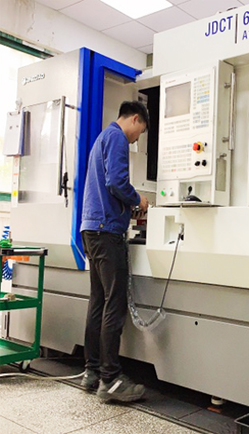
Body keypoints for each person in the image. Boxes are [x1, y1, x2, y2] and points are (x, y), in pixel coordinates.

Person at [79, 101, 150, 402]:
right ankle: (110, 379)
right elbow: (117, 182)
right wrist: (138, 200)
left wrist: (125, 207)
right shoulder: (118, 137)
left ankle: (91, 371)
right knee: (114, 303)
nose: (136, 139)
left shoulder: (101, 138)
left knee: (98, 301)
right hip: (107, 232)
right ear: (134, 119)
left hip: (91, 229)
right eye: (140, 132)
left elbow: (106, 186)